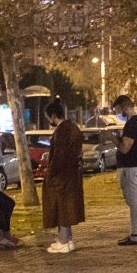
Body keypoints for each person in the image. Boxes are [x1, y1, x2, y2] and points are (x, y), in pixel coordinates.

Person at [40, 98, 85, 253]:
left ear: (53, 116)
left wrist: (50, 173)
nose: (48, 121)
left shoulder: (61, 131)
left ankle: (64, 240)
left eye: (48, 118)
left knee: (61, 207)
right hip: (72, 174)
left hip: (62, 176)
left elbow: (59, 155)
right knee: (67, 208)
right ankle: (67, 239)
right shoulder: (73, 128)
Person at [112, 94, 137, 246]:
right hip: (132, 166)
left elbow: (124, 148)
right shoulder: (135, 123)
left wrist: (113, 138)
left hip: (131, 167)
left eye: (117, 110)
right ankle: (134, 233)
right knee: (131, 200)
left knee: (133, 201)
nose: (117, 114)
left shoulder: (133, 124)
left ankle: (136, 234)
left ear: (124, 107)